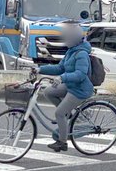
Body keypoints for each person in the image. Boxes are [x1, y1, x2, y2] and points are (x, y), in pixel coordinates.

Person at [38, 21, 94, 152]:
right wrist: (39, 69)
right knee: (48, 92)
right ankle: (67, 114)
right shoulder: (71, 51)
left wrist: (62, 77)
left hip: (80, 90)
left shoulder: (81, 54)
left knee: (59, 113)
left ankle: (62, 142)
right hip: (70, 85)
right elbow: (60, 68)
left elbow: (80, 74)